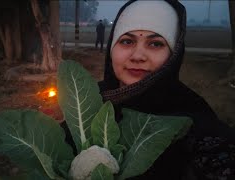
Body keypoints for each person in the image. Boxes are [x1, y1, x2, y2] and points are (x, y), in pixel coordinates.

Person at [97, 0, 235, 179]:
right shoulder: (93, 98)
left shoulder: (190, 117)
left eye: (155, 44)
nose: (138, 56)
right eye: (127, 41)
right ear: (111, 49)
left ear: (173, 55)